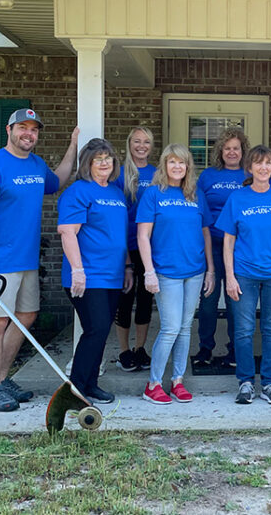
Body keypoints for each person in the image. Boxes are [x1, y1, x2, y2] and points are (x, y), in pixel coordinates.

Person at [0, 107, 78, 412]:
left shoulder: (37, 165)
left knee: (27, 315)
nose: (29, 134)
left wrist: (73, 146)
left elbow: (58, 180)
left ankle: (3, 379)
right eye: (23, 128)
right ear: (9, 130)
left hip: (27, 258)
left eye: (34, 129)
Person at [217, 145, 271, 405]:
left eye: (268, 163)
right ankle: (245, 382)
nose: (263, 168)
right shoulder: (237, 198)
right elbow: (228, 241)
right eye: (258, 163)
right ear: (250, 167)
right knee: (244, 330)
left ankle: (269, 383)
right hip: (244, 273)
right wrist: (230, 277)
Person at [136, 143, 213, 404]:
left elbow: (205, 233)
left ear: (188, 166)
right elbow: (143, 236)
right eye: (172, 162)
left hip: (195, 271)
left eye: (182, 162)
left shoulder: (196, 194)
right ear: (164, 165)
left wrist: (211, 270)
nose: (177, 166)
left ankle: (177, 381)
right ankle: (153, 384)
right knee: (170, 328)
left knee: (185, 327)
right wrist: (149, 272)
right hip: (166, 271)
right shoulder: (153, 194)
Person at [57, 138, 130, 405]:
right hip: (88, 276)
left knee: (100, 330)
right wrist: (77, 270)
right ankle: (75, 390)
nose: (104, 163)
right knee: (96, 329)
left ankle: (91, 385)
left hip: (113, 275)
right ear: (87, 163)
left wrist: (128, 267)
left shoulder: (116, 193)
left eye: (108, 158)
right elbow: (68, 232)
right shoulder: (78, 192)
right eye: (98, 159)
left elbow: (120, 236)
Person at [192, 127, 250, 368]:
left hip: (241, 247)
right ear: (220, 151)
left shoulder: (250, 175)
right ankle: (205, 348)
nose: (232, 152)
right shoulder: (208, 176)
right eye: (227, 148)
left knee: (237, 301)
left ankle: (236, 349)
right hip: (212, 246)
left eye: (236, 148)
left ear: (243, 151)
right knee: (208, 300)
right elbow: (198, 210)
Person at [113, 126, 157, 373]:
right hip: (125, 244)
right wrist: (126, 258)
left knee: (145, 298)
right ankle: (123, 351)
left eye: (146, 142)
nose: (142, 146)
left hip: (149, 246)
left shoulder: (158, 173)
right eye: (137, 141)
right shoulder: (119, 174)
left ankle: (140, 348)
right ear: (129, 144)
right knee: (125, 297)